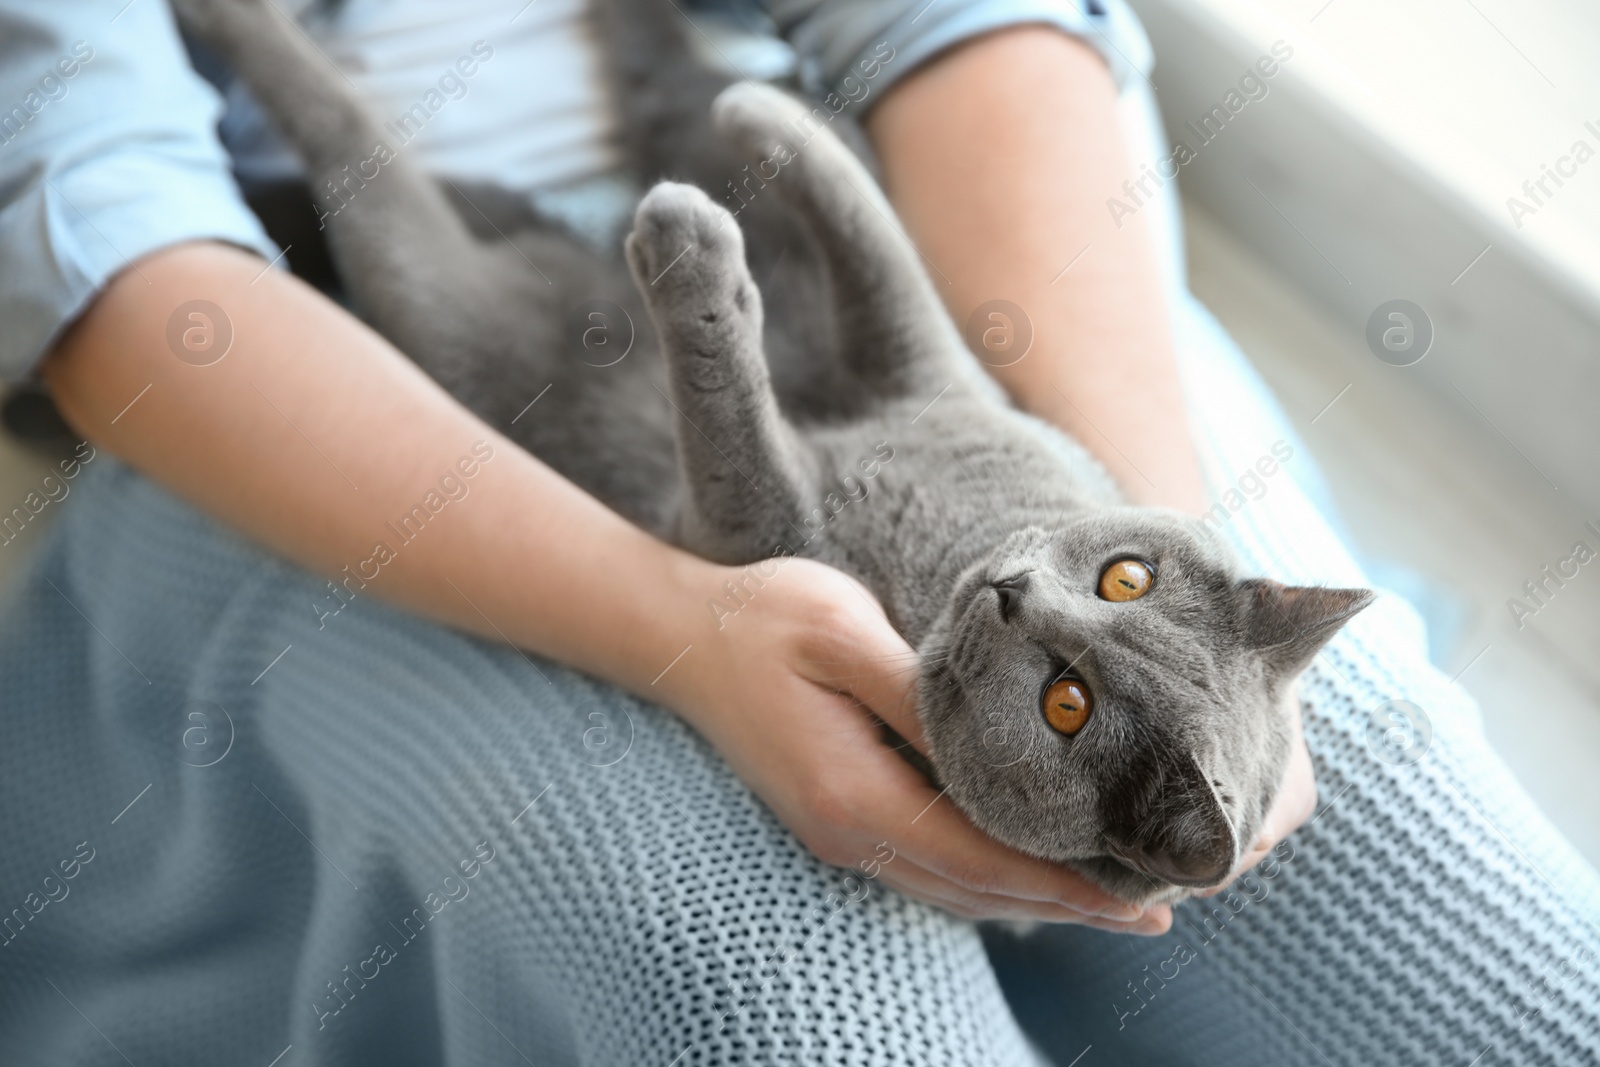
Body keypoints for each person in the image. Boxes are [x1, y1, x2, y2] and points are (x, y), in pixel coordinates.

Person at [0, 0, 1594, 1064]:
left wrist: (1133, 515)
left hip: (880, 231)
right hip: (360, 377)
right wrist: (673, 629)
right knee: (755, 978)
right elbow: (96, 232)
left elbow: (965, 20)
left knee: (1393, 858)